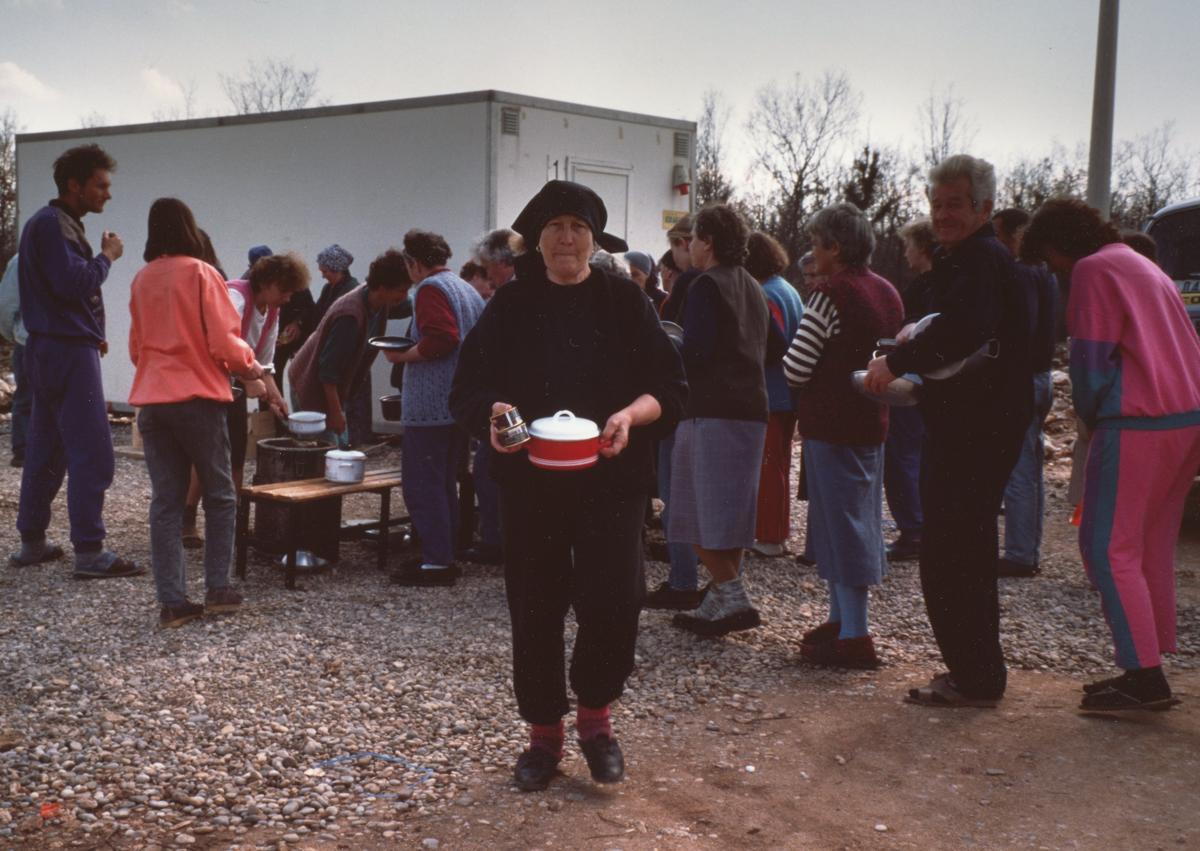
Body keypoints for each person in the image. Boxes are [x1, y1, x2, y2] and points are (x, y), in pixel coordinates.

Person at [449, 180, 686, 792]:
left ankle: (596, 723)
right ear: (538, 240)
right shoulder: (513, 303)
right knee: (535, 604)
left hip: (613, 479)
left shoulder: (624, 300)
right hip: (532, 483)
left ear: (593, 240)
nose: (566, 237)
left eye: (577, 227)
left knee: (615, 598)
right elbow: (468, 389)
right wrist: (493, 420)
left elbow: (670, 386)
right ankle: (544, 736)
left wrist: (630, 416)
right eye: (555, 226)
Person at [865, 154, 1034, 707]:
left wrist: (897, 361)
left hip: (975, 430)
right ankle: (977, 672)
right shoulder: (971, 258)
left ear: (984, 207)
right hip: (977, 424)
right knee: (962, 549)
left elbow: (964, 331)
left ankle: (975, 676)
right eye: (936, 205)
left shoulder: (980, 259)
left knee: (953, 553)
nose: (942, 215)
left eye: (955, 204)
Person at [1022, 199, 1200, 712]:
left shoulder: (1094, 269)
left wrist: (1091, 414)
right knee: (1149, 546)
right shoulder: (1140, 261)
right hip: (1185, 418)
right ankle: (1149, 660)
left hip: (1137, 419)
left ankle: (1144, 676)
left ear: (1058, 246)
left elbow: (1090, 363)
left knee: (1105, 546)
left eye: (1051, 258)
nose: (1055, 270)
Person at [128, 198, 266, 627]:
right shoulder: (203, 273)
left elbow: (136, 349)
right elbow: (224, 343)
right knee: (221, 495)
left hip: (153, 400)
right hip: (198, 399)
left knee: (166, 503)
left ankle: (172, 601)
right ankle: (218, 588)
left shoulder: (141, 278)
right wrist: (252, 368)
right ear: (189, 228)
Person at [10, 144, 142, 579]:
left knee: (46, 449)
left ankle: (32, 542)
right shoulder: (55, 226)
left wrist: (92, 333)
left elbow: (58, 292)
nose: (107, 194)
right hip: (67, 352)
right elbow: (73, 283)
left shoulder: (48, 224)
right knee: (93, 450)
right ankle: (90, 552)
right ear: (75, 184)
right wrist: (107, 257)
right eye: (100, 185)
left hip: (48, 349)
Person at [783, 203, 903, 669]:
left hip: (831, 425)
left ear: (834, 247)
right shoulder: (886, 290)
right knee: (854, 522)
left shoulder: (831, 292)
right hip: (871, 422)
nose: (813, 252)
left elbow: (796, 365)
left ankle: (855, 633)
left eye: (816, 244)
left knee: (842, 529)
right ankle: (841, 621)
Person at [670, 204, 784, 637]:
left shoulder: (705, 285)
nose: (692, 246)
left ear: (709, 242)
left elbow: (694, 351)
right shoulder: (756, 288)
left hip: (710, 410)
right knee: (730, 514)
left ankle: (733, 596)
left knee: (693, 512)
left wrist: (664, 352)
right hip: (751, 411)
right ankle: (718, 602)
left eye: (695, 238)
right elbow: (778, 348)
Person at [383, 230, 485, 586]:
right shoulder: (464, 287)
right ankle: (445, 552)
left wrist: (402, 355)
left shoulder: (429, 289)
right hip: (457, 402)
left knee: (422, 483)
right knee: (444, 482)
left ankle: (437, 562)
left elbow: (443, 337)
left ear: (414, 263)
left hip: (432, 403)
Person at [288, 250, 411, 448]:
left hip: (332, 382)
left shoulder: (379, 300)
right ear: (382, 287)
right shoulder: (350, 315)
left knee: (339, 443)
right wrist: (335, 414)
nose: (405, 296)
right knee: (324, 448)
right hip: (310, 381)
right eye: (401, 290)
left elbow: (412, 305)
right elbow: (327, 372)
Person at [993, 208, 1058, 578]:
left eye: (1002, 236)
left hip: (1023, 380)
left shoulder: (1021, 274)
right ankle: (1026, 549)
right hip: (1042, 375)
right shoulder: (1045, 274)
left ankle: (1019, 553)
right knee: (1031, 468)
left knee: (1019, 469)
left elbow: (1022, 332)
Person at [746, 232, 804, 558]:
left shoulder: (766, 293)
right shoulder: (789, 290)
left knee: (769, 467)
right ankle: (776, 532)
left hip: (772, 390)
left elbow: (773, 343)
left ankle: (768, 536)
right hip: (788, 391)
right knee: (778, 464)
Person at [883, 218, 937, 562]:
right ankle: (919, 525)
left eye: (909, 246)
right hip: (932, 382)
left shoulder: (924, 288)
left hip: (914, 381)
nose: (905, 253)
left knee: (902, 455)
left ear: (923, 247)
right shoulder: (943, 285)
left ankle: (913, 529)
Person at [0, 253, 31, 468]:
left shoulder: (22, 260)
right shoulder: (21, 260)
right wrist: (15, 335)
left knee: (27, 396)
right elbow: (6, 305)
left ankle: (27, 449)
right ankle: (23, 449)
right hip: (30, 340)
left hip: (28, 339)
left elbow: (6, 305)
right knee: (27, 396)